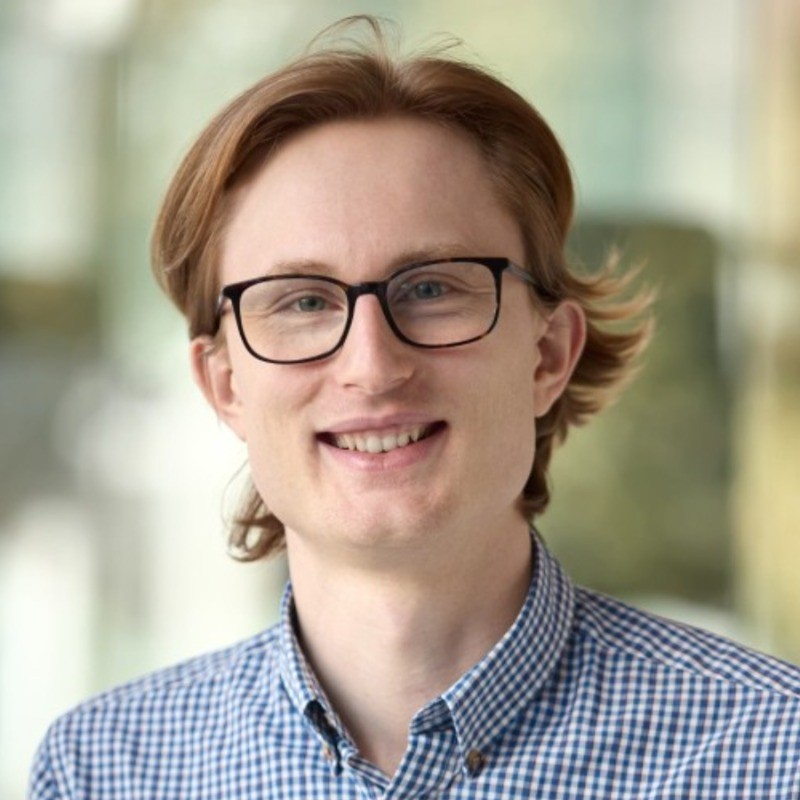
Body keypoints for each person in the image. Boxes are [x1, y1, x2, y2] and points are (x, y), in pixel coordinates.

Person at [30, 16, 800, 799]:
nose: (371, 367)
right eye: (302, 302)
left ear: (548, 355)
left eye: (431, 288)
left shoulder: (774, 754)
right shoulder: (104, 771)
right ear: (224, 385)